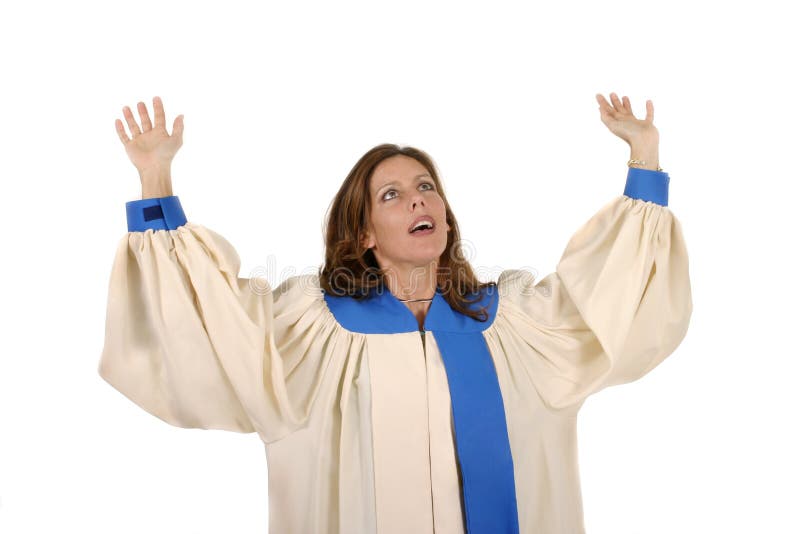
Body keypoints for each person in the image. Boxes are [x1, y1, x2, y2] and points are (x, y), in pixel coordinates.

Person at [98, 94, 692, 534]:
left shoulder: (513, 327)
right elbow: (212, 326)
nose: (418, 200)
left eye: (427, 187)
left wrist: (645, 154)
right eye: (392, 195)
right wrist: (156, 177)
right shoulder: (311, 334)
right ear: (362, 233)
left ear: (446, 215)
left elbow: (606, 300)